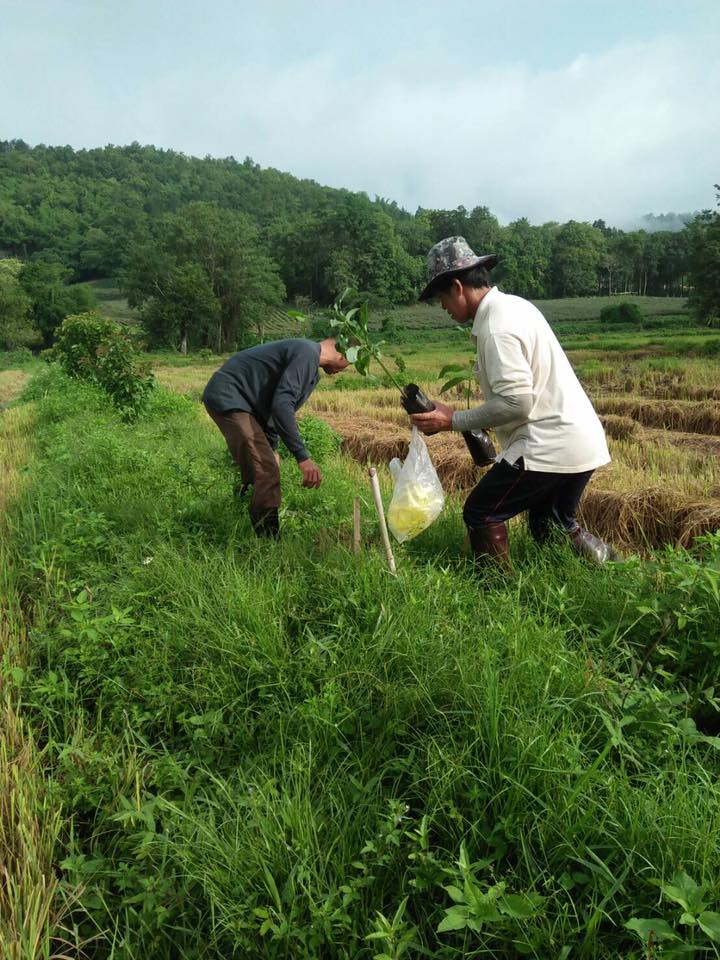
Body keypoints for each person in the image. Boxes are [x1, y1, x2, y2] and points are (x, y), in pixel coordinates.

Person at [410, 236, 618, 567]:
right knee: (550, 524)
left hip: (548, 441)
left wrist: (452, 421)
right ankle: (612, 569)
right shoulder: (514, 306)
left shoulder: (496, 327)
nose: (442, 307)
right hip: (579, 436)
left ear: (458, 287)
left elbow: (517, 403)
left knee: (481, 512)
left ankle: (497, 594)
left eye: (441, 297)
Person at [203, 337, 349, 538]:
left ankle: (239, 510)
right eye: (350, 361)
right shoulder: (307, 354)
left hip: (245, 404)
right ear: (342, 352)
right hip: (231, 397)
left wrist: (272, 448)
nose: (346, 368)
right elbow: (282, 406)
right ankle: (268, 542)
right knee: (266, 469)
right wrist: (303, 458)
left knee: (266, 463)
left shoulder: (310, 365)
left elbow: (273, 411)